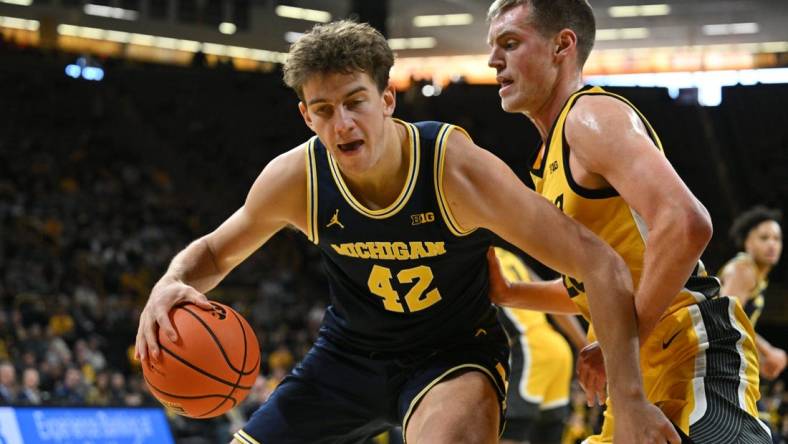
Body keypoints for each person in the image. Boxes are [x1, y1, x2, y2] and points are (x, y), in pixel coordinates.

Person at [136, 20, 675, 444]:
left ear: (387, 99)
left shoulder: (456, 169)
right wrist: (170, 282)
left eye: (355, 102)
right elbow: (213, 253)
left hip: (453, 356)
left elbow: (599, 264)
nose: (342, 123)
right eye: (324, 110)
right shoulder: (296, 180)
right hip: (347, 356)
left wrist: (629, 404)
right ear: (306, 117)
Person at [485, 0, 772, 442]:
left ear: (563, 46)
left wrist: (626, 341)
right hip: (632, 374)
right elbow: (603, 284)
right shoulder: (549, 158)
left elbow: (687, 222)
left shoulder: (590, 116)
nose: (493, 60)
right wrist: (511, 292)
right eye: (493, 47)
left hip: (688, 349)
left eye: (510, 43)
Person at [493, 247, 587, 444]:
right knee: (548, 437)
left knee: (508, 435)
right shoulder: (507, 255)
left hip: (528, 351)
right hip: (557, 350)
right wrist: (582, 344)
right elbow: (551, 297)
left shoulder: (471, 259)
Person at [719, 206, 784, 442]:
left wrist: (760, 355)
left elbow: (739, 323)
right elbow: (725, 317)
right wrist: (768, 351)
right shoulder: (743, 268)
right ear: (747, 242)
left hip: (732, 371)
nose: (772, 244)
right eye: (764, 237)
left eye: (777, 238)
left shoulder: (756, 276)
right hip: (718, 370)